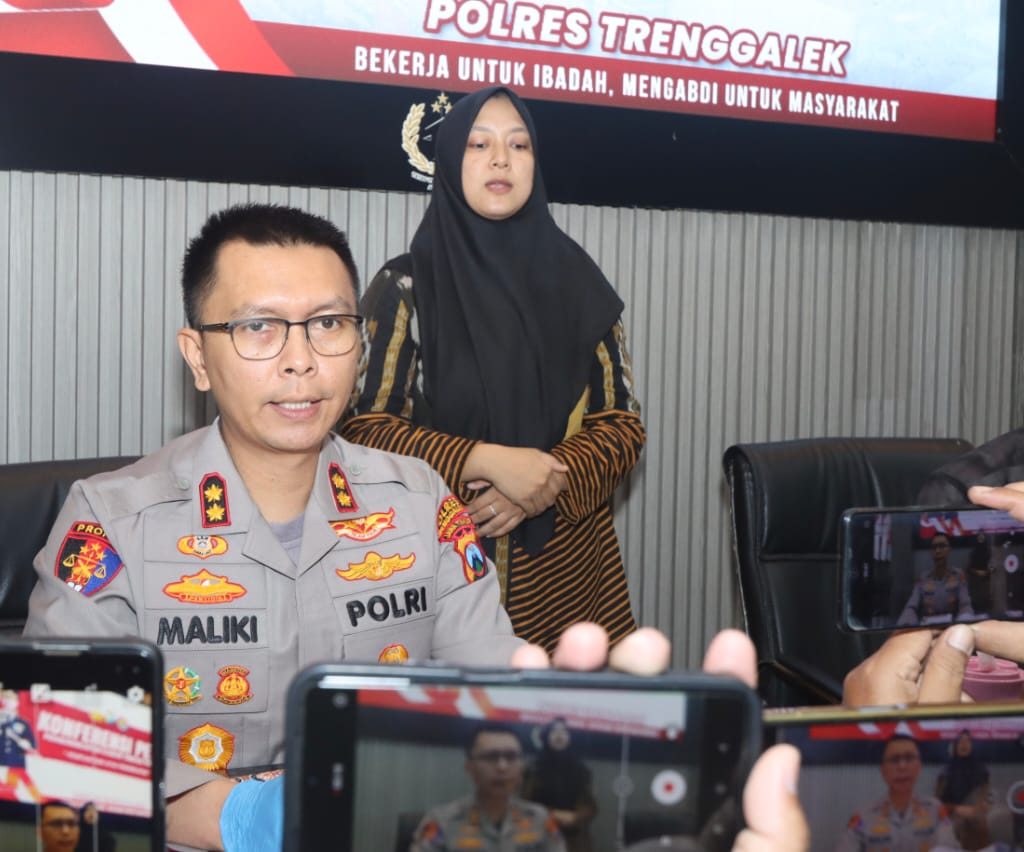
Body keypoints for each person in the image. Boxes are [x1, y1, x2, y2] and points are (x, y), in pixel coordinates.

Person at [19, 203, 807, 852]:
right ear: (197, 356)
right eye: (259, 328)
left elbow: (493, 698)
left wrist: (590, 744)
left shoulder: (419, 503)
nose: (301, 361)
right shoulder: (111, 524)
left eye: (329, 324)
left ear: (360, 345)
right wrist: (245, 819)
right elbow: (61, 767)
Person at [343, 85, 644, 652]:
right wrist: (486, 462)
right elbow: (366, 431)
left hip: (567, 584)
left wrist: (542, 482)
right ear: (449, 164)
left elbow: (621, 426)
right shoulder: (407, 287)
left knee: (567, 706)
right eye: (478, 145)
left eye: (519, 145)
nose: (501, 159)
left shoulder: (580, 284)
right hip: (435, 572)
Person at [411, 724, 565, 851]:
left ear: (521, 767)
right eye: (491, 757)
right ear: (470, 767)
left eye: (511, 757)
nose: (502, 767)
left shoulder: (539, 819)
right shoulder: (442, 821)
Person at [834, 734, 957, 851]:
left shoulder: (936, 811)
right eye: (894, 759)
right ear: (883, 770)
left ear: (919, 766)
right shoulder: (863, 818)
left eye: (909, 758)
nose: (902, 766)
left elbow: (950, 848)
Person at [522, 718, 596, 852]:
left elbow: (591, 806)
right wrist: (553, 814)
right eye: (554, 731)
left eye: (564, 732)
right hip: (539, 834)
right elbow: (524, 803)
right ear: (546, 737)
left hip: (574, 838)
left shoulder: (582, 770)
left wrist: (575, 817)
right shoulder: (533, 768)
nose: (559, 735)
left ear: (571, 737)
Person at [897, 532, 974, 625]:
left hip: (951, 628)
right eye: (934, 547)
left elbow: (965, 605)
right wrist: (906, 624)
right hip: (927, 628)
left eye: (942, 546)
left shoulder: (958, 575)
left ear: (949, 549)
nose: (937, 551)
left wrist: (964, 623)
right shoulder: (923, 579)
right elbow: (911, 606)